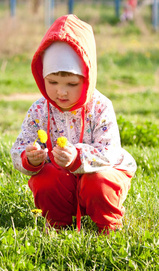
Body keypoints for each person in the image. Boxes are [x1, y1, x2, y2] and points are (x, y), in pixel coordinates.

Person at [11, 14, 137, 234]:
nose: (61, 91)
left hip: (101, 175)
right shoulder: (40, 110)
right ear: (42, 78)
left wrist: (78, 157)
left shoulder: (100, 107)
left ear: (87, 78)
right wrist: (29, 158)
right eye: (52, 82)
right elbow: (19, 147)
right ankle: (57, 226)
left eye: (71, 83)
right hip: (63, 184)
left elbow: (109, 152)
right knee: (45, 179)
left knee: (98, 180)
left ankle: (108, 228)